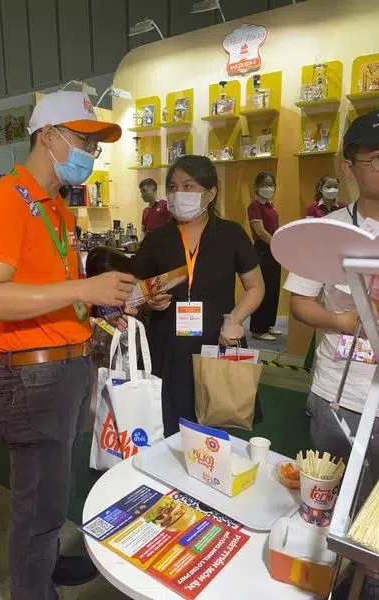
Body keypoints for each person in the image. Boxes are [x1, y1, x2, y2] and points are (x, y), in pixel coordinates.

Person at [0, 90, 136, 600]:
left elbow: (49, 291)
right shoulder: (0, 202)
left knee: (52, 488)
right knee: (35, 502)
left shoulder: (58, 210)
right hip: (34, 375)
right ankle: (31, 589)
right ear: (48, 136)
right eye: (83, 141)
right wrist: (84, 290)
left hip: (68, 366)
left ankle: (47, 562)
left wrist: (102, 307)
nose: (90, 154)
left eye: (94, 145)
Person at [132, 155, 264, 436]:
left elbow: (256, 287)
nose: (178, 193)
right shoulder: (157, 238)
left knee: (214, 432)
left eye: (188, 186)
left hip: (218, 340)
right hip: (167, 345)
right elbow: (135, 289)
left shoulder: (232, 234)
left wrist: (235, 319)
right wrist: (148, 300)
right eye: (173, 187)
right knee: (166, 428)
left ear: (211, 193)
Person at [283, 110, 379, 497]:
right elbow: (300, 303)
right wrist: (342, 321)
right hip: (339, 394)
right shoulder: (326, 230)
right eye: (376, 158)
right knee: (328, 503)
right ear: (349, 168)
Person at [247, 172, 282, 341]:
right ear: (257, 187)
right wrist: (275, 242)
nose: (268, 188)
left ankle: (269, 324)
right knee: (264, 288)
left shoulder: (270, 206)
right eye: (264, 184)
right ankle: (258, 329)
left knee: (273, 287)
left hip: (273, 248)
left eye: (271, 184)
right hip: (262, 249)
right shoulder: (254, 206)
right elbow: (260, 231)